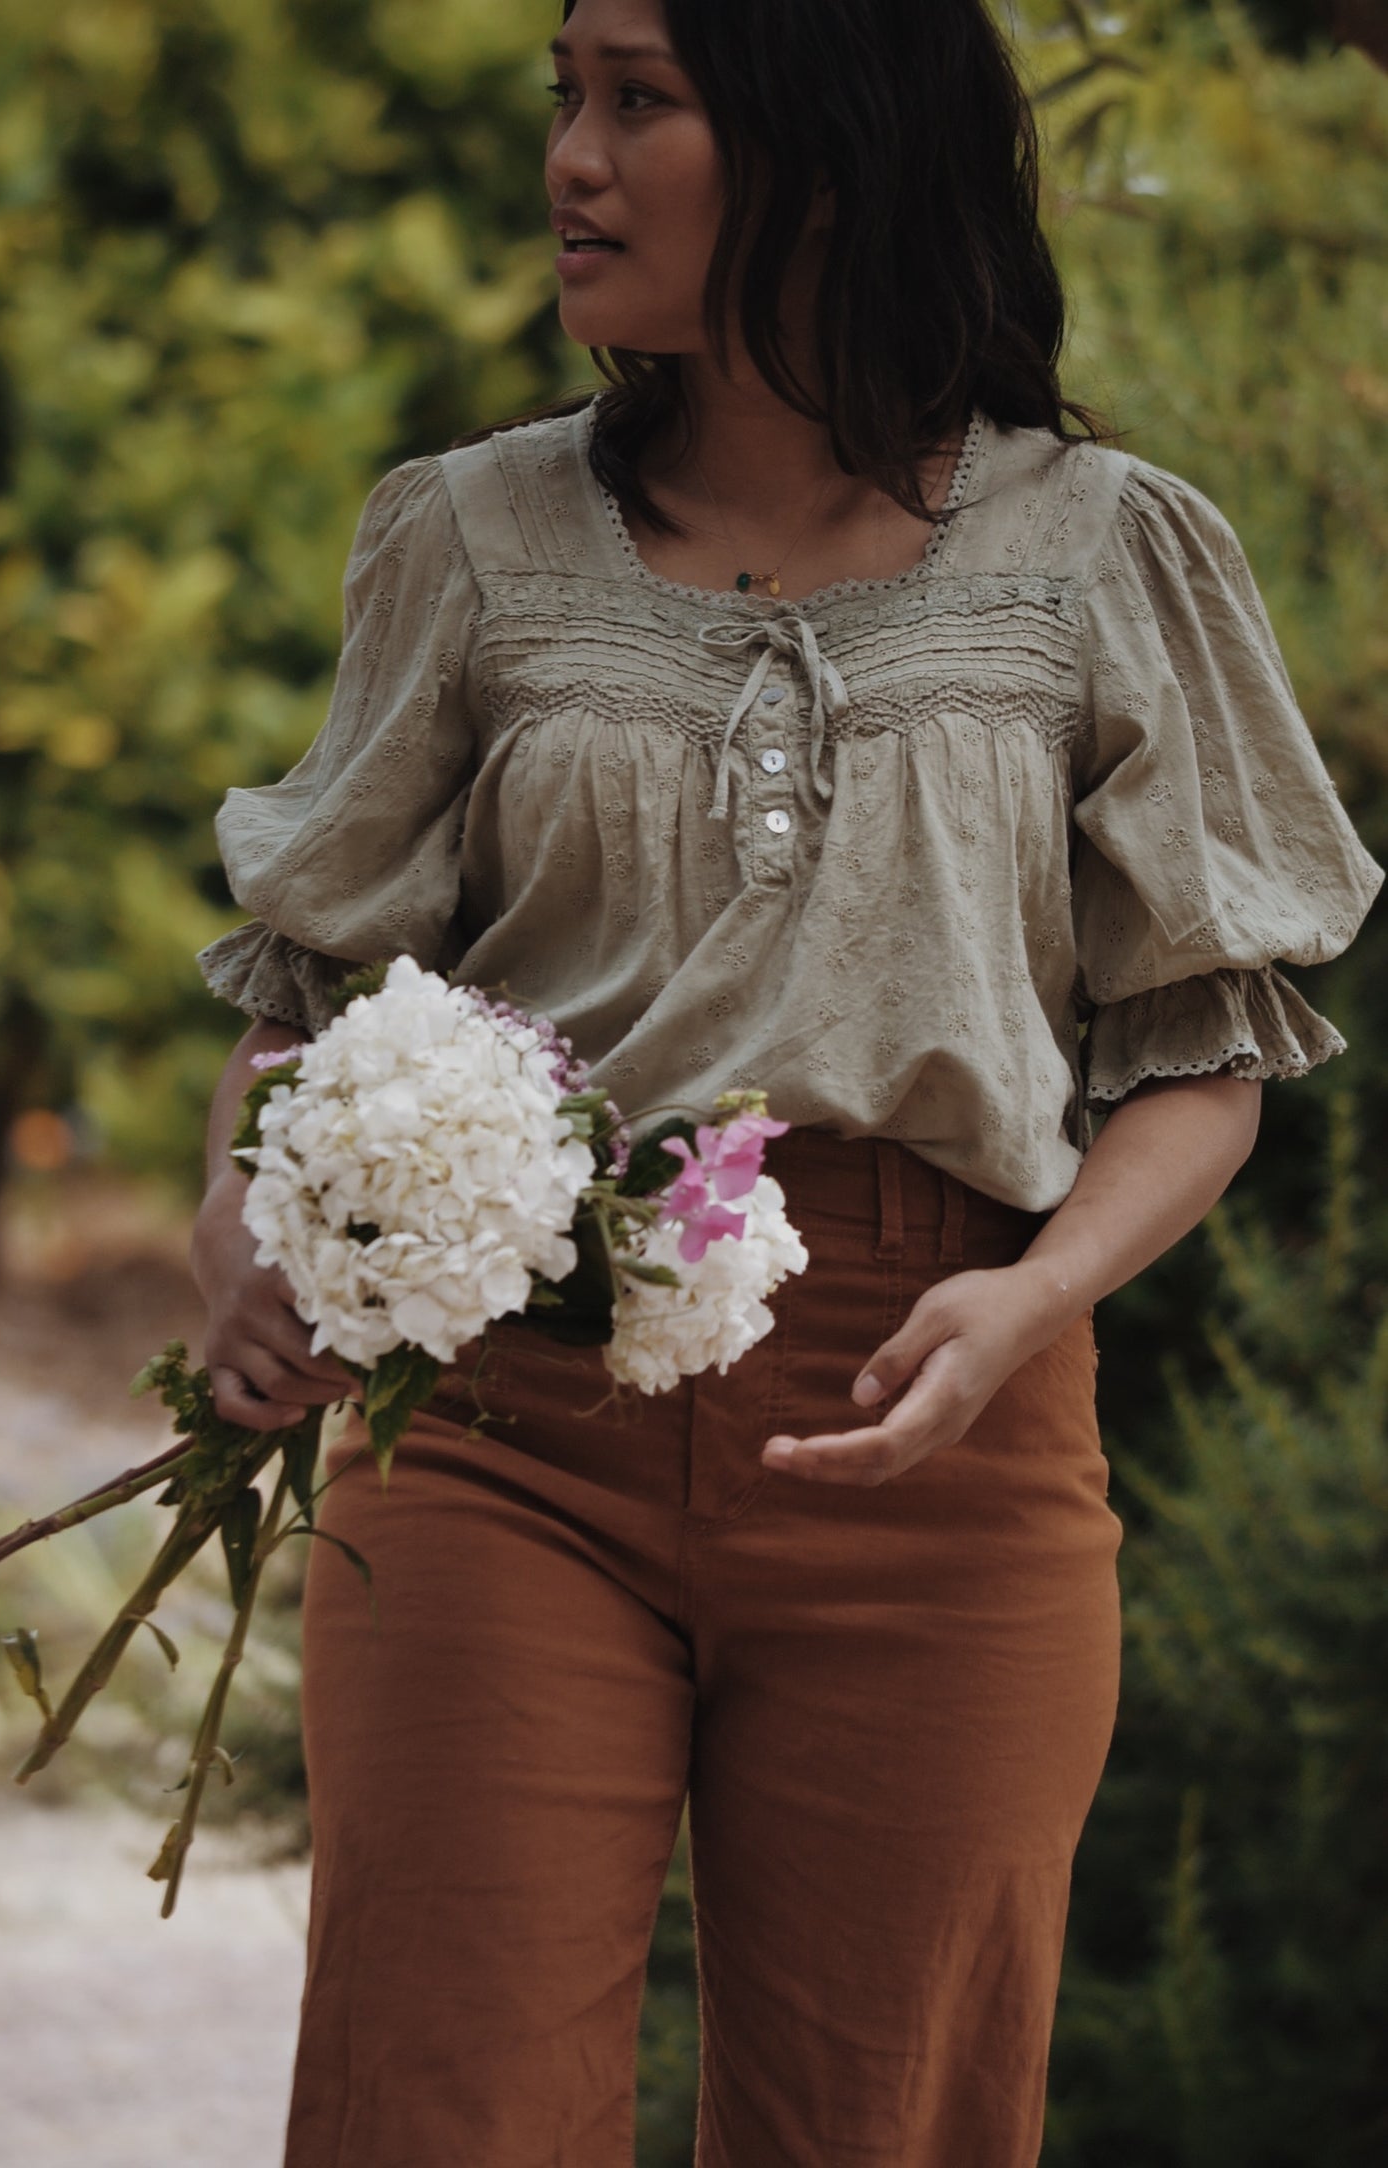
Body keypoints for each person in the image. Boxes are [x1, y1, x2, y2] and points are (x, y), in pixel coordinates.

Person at [190, 1, 1384, 2160]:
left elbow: (1207, 1050)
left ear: (831, 145)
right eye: (565, 91)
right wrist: (248, 1223)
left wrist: (1040, 1298)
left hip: (937, 1431)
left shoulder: (1108, 552)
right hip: (495, 1430)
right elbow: (311, 980)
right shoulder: (467, 538)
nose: (572, 153)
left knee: (896, 2123)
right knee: (433, 2101)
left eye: (639, 98)